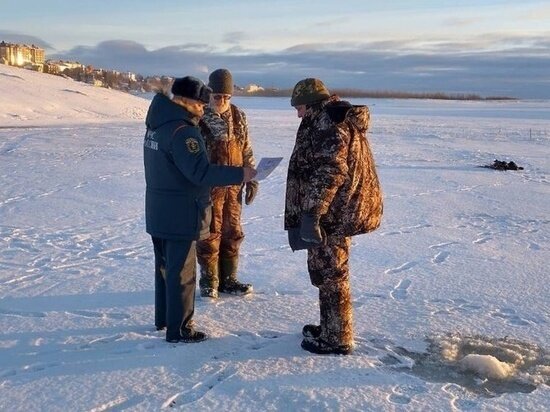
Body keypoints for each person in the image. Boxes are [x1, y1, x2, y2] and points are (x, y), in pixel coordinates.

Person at [143, 76, 257, 343]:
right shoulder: (183, 132)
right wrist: (242, 173)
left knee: (165, 269)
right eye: (200, 103)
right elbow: (200, 172)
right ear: (187, 101)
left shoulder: (157, 124)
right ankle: (180, 329)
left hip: (159, 209)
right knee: (182, 273)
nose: (203, 108)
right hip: (180, 211)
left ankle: (164, 319)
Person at [285, 78, 383, 355]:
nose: (298, 113)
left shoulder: (328, 122)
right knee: (328, 270)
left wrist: (312, 213)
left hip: (334, 211)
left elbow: (330, 171)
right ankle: (330, 327)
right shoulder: (329, 117)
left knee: (331, 272)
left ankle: (337, 338)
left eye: (300, 107)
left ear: (312, 103)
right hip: (338, 208)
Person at [196, 68, 258, 299]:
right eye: (218, 96)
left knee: (233, 232)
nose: (222, 101)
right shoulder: (199, 117)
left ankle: (228, 279)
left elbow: (246, 148)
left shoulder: (239, 116)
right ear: (209, 94)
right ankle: (209, 280)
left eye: (227, 97)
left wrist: (252, 179)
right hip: (209, 186)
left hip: (234, 187)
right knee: (210, 233)